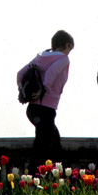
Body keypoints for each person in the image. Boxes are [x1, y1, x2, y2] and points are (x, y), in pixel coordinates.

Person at [17, 30, 75, 167]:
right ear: (67, 44)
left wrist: (24, 90)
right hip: (45, 109)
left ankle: (58, 177)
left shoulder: (40, 57)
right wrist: (43, 89)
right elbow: (52, 72)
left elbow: (20, 74)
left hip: (33, 109)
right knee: (42, 148)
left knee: (54, 143)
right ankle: (33, 179)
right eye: (70, 49)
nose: (69, 53)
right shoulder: (63, 58)